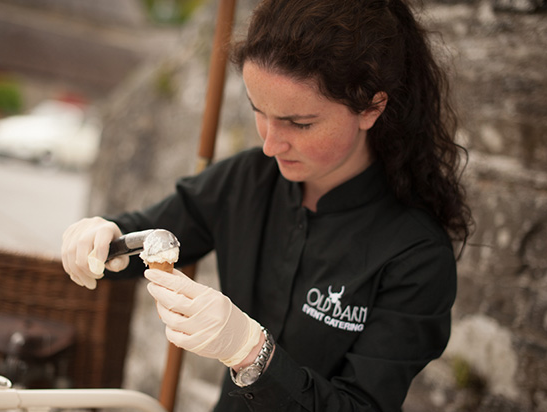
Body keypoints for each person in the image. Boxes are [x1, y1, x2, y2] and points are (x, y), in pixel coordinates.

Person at [61, 0, 473, 410]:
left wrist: (251, 353)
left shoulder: (416, 256)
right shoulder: (247, 179)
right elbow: (148, 236)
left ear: (371, 107)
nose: (271, 144)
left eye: (300, 123)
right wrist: (106, 238)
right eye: (259, 111)